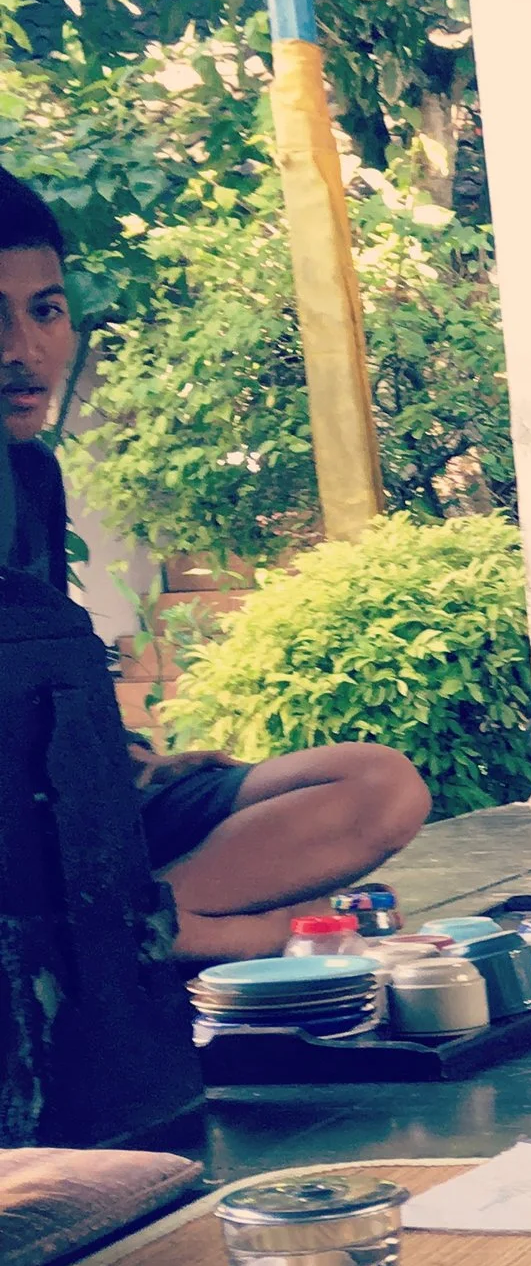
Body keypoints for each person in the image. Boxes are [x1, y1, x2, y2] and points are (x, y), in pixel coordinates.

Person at [0, 166, 431, 960]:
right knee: (296, 912)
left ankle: (149, 933)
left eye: (45, 311)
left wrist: (139, 765)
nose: (23, 350)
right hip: (22, 845)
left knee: (379, 785)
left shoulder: (31, 475)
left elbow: (39, 684)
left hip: (83, 814)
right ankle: (163, 938)